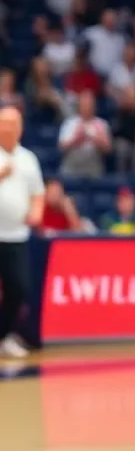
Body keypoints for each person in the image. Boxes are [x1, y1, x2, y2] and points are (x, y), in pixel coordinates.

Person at [0, 108, 45, 358]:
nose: (8, 128)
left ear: (21, 128)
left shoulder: (28, 158)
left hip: (16, 235)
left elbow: (37, 192)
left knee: (18, 289)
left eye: (13, 123)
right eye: (4, 123)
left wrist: (36, 212)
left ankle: (4, 336)